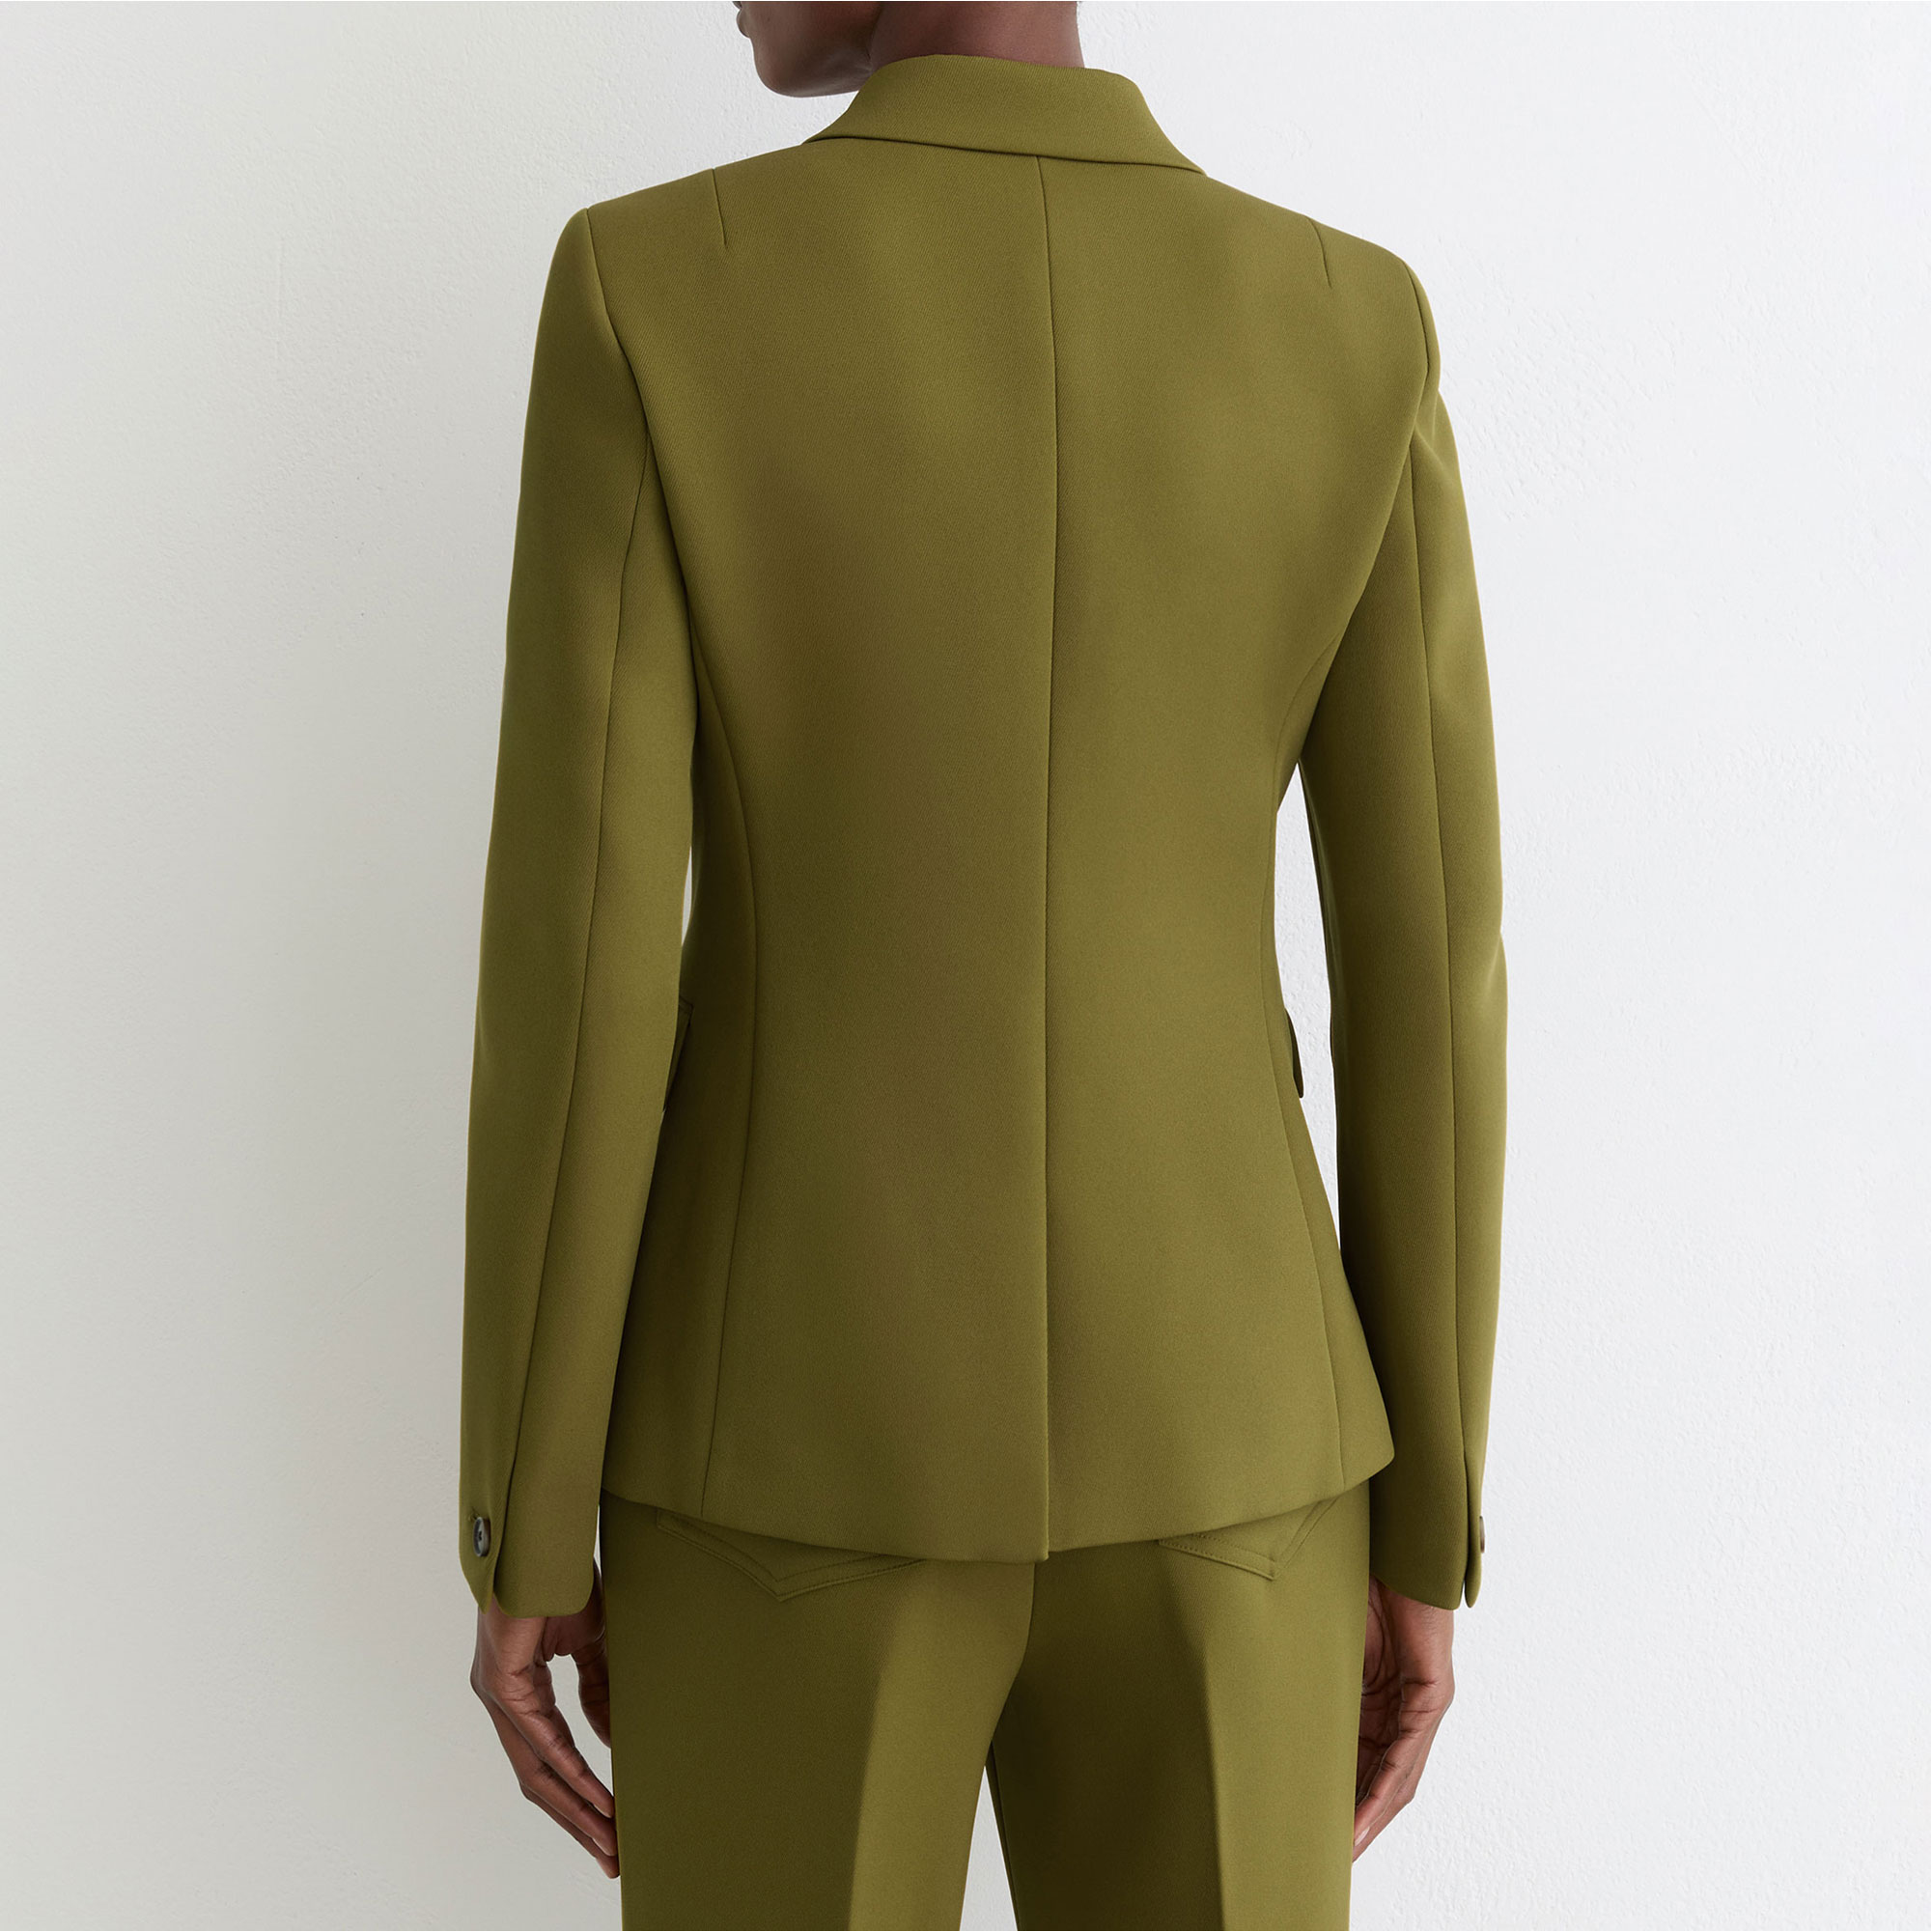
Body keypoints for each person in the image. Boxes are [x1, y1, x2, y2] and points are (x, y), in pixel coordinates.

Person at [457, 3, 1506, 1925]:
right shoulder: (1345, 320)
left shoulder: (652, 290)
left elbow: (583, 962)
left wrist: (522, 1522)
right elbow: (1427, 973)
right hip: (1242, 1453)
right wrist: (1425, 1520)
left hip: (782, 1441)